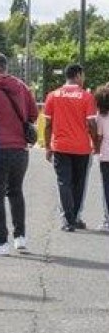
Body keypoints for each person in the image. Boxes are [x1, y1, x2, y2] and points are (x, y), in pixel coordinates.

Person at [0, 51, 39, 254]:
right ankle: (20, 237)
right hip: (20, 150)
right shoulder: (21, 86)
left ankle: (1, 242)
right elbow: (33, 114)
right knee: (16, 192)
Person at [44, 63, 98, 232]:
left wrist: (47, 146)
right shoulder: (86, 97)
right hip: (81, 147)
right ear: (78, 75)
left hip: (60, 147)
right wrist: (95, 143)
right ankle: (75, 217)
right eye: (83, 75)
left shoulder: (53, 95)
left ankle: (68, 220)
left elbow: (47, 124)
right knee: (79, 183)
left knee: (64, 183)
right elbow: (91, 123)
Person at [93, 85, 109, 231]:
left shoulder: (101, 116)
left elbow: (99, 136)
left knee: (107, 190)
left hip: (106, 157)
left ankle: (107, 220)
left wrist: (95, 151)